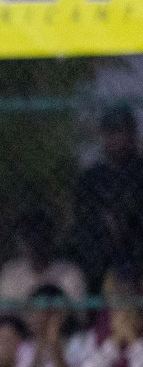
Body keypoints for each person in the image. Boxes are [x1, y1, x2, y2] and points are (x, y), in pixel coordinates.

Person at [74, 105, 143, 293]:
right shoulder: (90, 179)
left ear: (133, 134)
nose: (118, 139)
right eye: (112, 132)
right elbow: (84, 226)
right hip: (102, 261)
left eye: (123, 131)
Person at [0, 209, 85, 304]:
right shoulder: (10, 273)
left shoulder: (71, 273)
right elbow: (4, 315)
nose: (34, 246)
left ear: (50, 239)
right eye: (27, 239)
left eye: (39, 238)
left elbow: (76, 316)